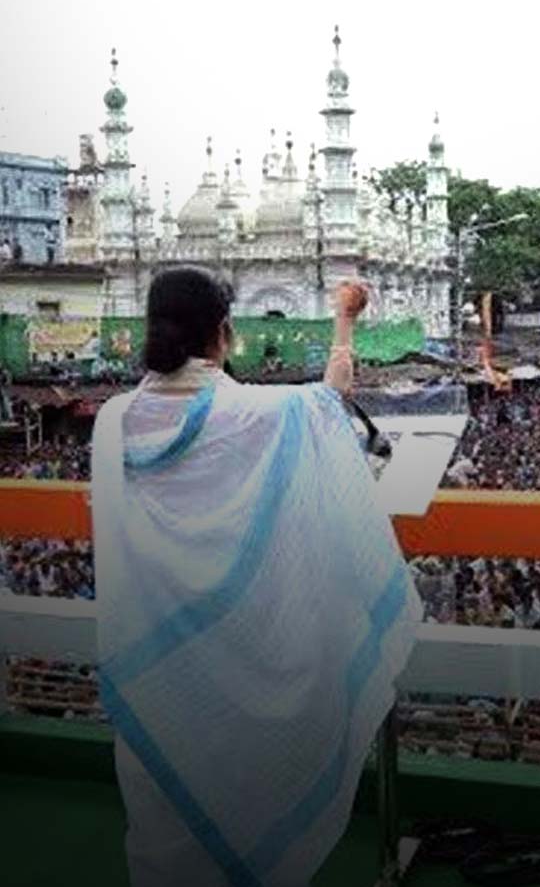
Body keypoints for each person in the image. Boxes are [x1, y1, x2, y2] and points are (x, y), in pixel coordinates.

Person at [91, 266, 422, 887]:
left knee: (164, 813)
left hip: (158, 657)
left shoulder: (112, 422)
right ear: (225, 332)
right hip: (239, 642)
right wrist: (345, 318)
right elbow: (332, 398)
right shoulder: (256, 413)